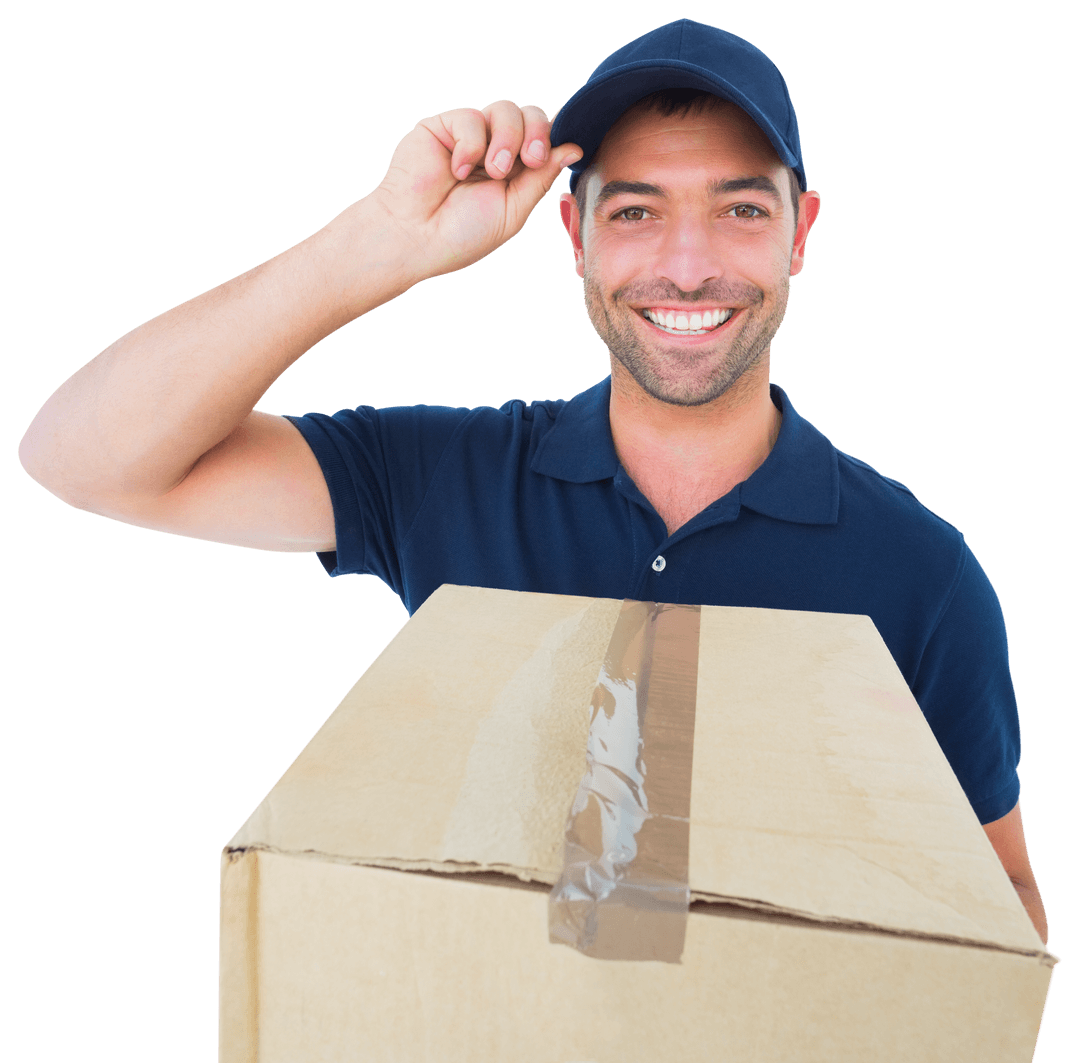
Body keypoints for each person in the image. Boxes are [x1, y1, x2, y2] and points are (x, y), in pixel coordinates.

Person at [17, 19, 1048, 945]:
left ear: (800, 234)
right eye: (636, 211)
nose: (687, 266)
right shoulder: (444, 479)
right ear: (575, 237)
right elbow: (82, 461)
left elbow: (1002, 911)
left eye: (738, 209)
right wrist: (378, 243)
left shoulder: (920, 574)